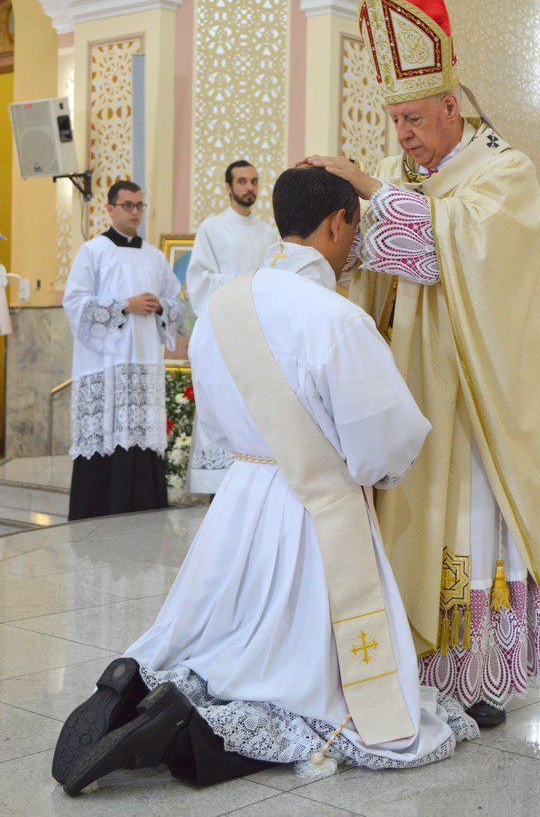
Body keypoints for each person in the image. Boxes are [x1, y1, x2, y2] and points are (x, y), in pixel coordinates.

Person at [52, 166, 478, 797]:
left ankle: (141, 683)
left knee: (221, 629)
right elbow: (382, 444)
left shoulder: (222, 308)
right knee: (301, 679)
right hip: (315, 510)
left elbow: (216, 426)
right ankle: (197, 732)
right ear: (339, 223)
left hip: (240, 500)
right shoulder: (336, 319)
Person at [305, 0, 540, 728]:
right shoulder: (394, 175)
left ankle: (472, 676)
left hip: (473, 396)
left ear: (452, 106)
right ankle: (409, 664)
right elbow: (373, 261)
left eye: (415, 118)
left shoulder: (505, 171)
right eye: (395, 121)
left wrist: (370, 193)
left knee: (468, 525)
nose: (403, 136)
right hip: (406, 387)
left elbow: (459, 253)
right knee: (409, 523)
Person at [63, 180, 184, 520]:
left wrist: (161, 306)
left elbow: (177, 304)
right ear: (110, 209)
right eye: (127, 205)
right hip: (108, 363)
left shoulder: (155, 257)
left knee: (141, 440)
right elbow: (75, 302)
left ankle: (143, 514)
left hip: (144, 361)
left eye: (139, 205)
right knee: (107, 439)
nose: (134, 212)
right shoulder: (93, 251)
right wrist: (124, 305)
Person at [186, 160, 279, 494]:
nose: (249, 187)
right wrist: (247, 283)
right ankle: (218, 486)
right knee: (223, 401)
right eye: (241, 181)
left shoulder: (269, 233)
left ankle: (255, 480)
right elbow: (199, 279)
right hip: (223, 331)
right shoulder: (212, 228)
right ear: (228, 187)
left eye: (253, 181)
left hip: (258, 333)